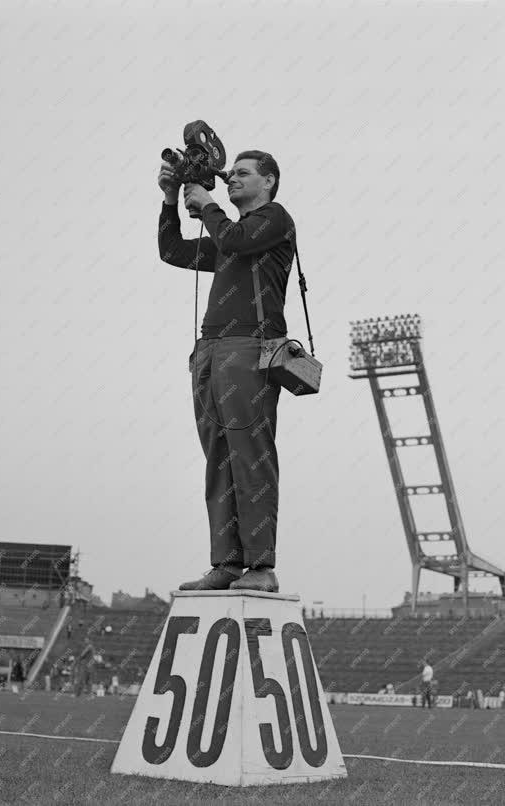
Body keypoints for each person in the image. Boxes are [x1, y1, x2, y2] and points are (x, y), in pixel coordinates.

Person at [157, 150, 297, 593]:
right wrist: (169, 201)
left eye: (243, 173)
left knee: (250, 454)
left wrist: (207, 204)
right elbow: (172, 251)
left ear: (269, 182)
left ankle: (261, 566)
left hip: (249, 346)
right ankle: (227, 563)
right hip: (211, 348)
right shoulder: (228, 230)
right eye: (231, 173)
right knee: (218, 457)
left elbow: (237, 240)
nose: (232, 178)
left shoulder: (275, 219)